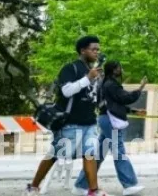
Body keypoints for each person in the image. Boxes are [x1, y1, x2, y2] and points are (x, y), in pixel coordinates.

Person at [25, 36, 107, 196]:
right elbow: (66, 91)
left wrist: (99, 82)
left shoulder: (94, 72)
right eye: (93, 49)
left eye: (98, 49)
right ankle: (33, 187)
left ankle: (93, 191)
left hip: (90, 122)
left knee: (90, 154)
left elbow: (94, 97)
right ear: (83, 50)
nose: (97, 52)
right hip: (70, 122)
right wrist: (88, 78)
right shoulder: (70, 68)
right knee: (55, 155)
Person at [73, 61, 148, 196]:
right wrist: (140, 88)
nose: (121, 70)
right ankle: (129, 184)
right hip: (111, 121)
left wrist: (134, 111)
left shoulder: (104, 84)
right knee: (119, 151)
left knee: (99, 154)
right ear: (113, 70)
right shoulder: (111, 84)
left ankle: (81, 185)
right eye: (119, 68)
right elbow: (126, 98)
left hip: (105, 119)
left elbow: (115, 104)